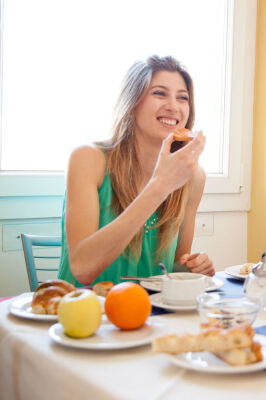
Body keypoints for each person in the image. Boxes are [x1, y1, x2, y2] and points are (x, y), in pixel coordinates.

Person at [58, 55, 215, 286]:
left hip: (149, 311)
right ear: (132, 104)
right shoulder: (87, 159)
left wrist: (193, 266)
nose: (173, 106)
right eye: (159, 93)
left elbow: (174, 266)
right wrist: (161, 185)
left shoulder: (193, 177)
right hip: (86, 312)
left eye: (183, 98)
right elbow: (83, 268)